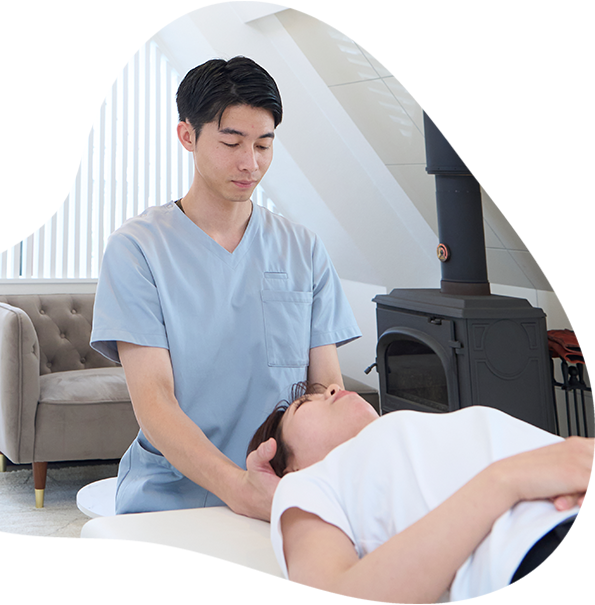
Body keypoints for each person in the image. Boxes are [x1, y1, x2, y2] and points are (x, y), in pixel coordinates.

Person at [90, 56, 361, 521]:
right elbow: (155, 402)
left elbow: (326, 390)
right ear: (187, 136)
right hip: (172, 496)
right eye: (231, 142)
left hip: (284, 486)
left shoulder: (303, 249)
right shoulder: (137, 249)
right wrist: (240, 488)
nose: (250, 162)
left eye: (263, 144)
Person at [248, 383, 595, 603]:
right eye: (304, 403)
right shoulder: (307, 483)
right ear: (290, 467)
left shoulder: (421, 431)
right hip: (555, 550)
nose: (333, 388)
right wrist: (506, 480)